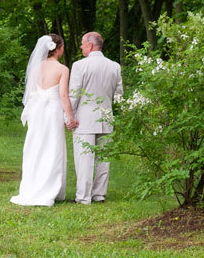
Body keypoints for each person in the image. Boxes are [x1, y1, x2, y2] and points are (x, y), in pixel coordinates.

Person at [11, 34, 77, 207]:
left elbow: (32, 92)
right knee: (53, 147)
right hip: (53, 112)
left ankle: (32, 187)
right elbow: (63, 95)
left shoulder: (35, 68)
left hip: (37, 112)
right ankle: (49, 188)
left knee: (36, 147)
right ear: (59, 48)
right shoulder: (62, 69)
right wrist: (70, 117)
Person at [69, 32, 123, 204]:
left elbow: (74, 95)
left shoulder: (79, 66)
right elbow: (119, 94)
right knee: (103, 159)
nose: (81, 46)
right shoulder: (115, 66)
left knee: (84, 158)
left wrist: (68, 116)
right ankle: (99, 194)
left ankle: (83, 196)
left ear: (90, 45)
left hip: (84, 119)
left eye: (83, 44)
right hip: (106, 117)